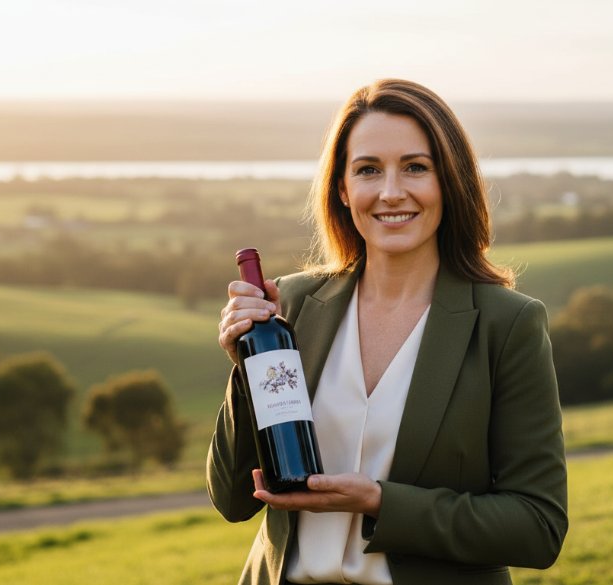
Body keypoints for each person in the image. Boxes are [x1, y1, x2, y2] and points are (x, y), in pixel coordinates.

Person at [208, 79, 567, 585]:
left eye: (416, 167)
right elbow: (231, 500)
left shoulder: (507, 324)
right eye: (368, 170)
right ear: (342, 188)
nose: (391, 192)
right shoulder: (290, 306)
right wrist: (245, 371)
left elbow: (538, 526)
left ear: (450, 182)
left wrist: (381, 502)